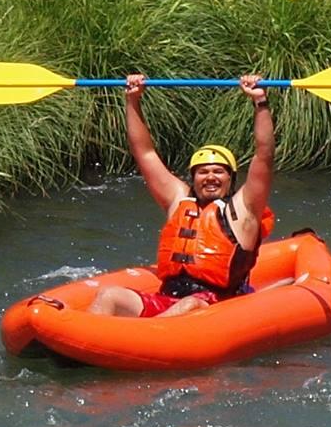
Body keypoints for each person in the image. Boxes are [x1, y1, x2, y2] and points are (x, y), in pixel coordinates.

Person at [87, 73, 275, 318]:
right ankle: (85, 348)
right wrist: (133, 100)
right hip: (167, 298)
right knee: (109, 295)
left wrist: (260, 102)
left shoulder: (243, 210)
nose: (210, 177)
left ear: (231, 178)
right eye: (202, 172)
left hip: (215, 303)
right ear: (193, 177)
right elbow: (145, 153)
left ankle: (140, 342)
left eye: (218, 171)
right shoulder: (179, 200)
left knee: (189, 306)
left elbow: (264, 155)